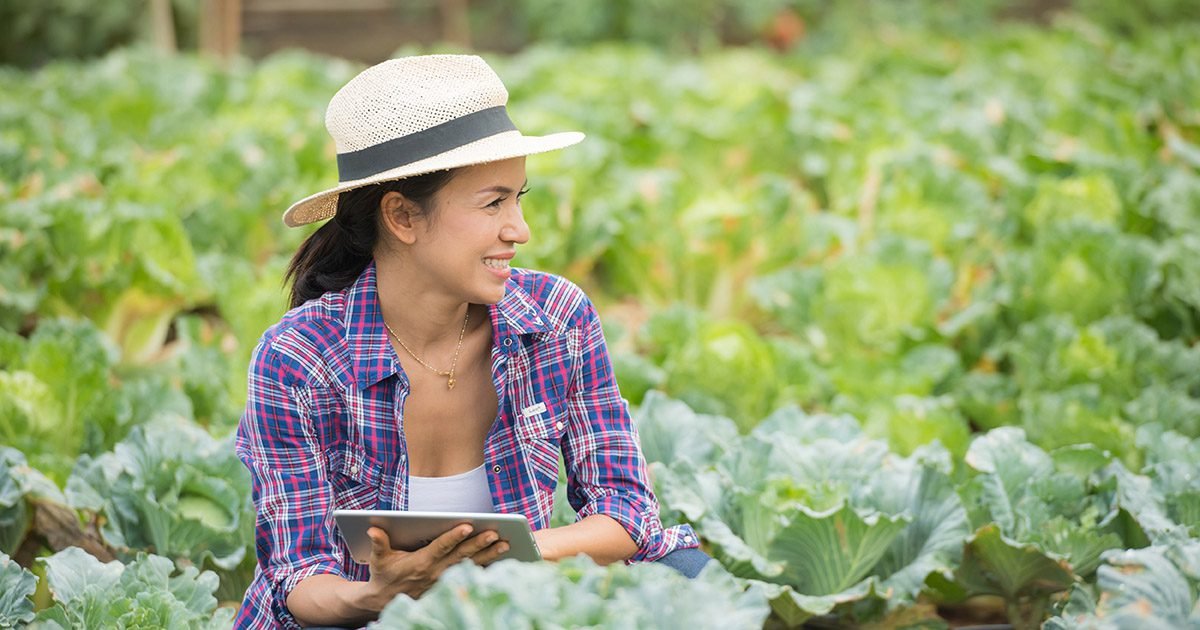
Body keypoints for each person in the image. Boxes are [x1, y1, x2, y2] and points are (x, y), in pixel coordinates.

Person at [234, 55, 706, 629]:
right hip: (364, 621)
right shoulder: (296, 359)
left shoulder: (557, 319)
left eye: (518, 198)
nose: (519, 229)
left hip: (508, 610)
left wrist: (506, 557)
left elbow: (628, 512)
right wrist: (378, 595)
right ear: (403, 217)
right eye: (493, 203)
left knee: (689, 576)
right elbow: (297, 577)